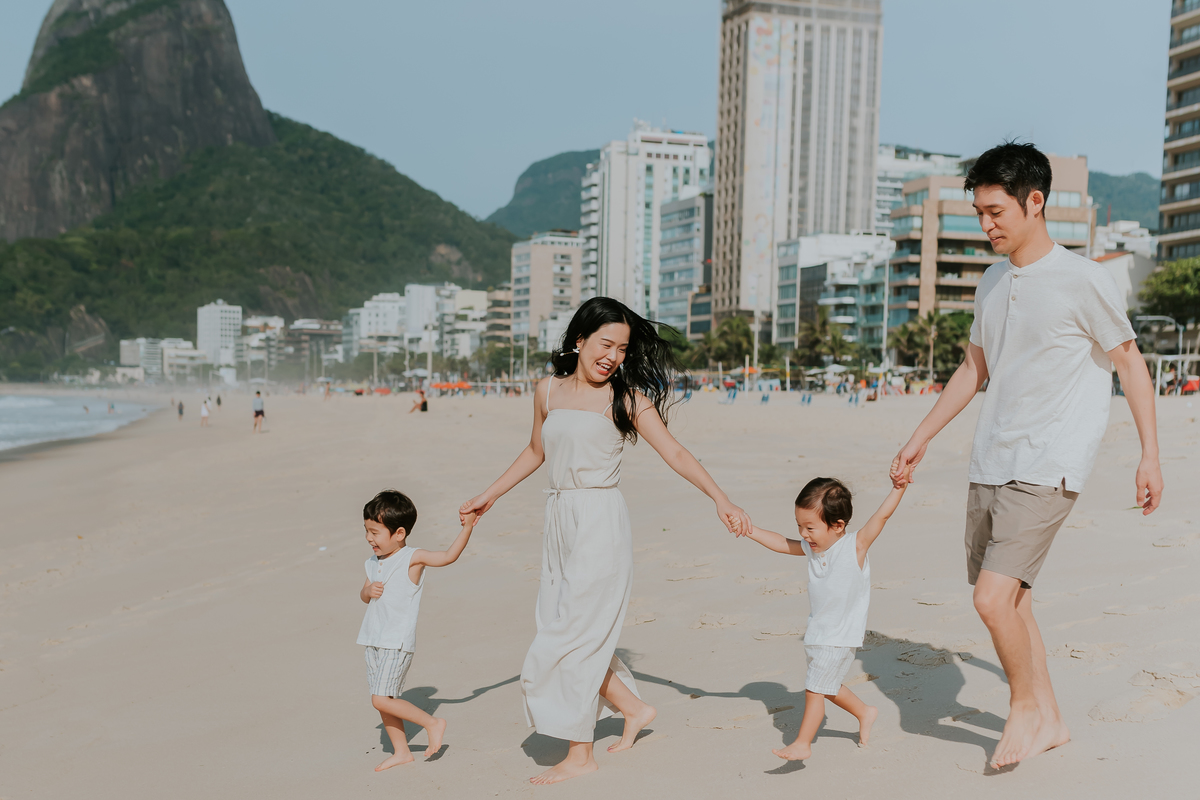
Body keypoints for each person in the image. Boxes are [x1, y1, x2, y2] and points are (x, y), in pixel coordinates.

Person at [889, 142, 1163, 769]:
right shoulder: (992, 279)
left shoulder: (1083, 278)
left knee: (989, 599)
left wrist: (1150, 456)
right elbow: (973, 367)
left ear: (1035, 202)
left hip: (1050, 462)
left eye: (995, 212)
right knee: (1015, 601)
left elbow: (1130, 363)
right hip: (991, 458)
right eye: (979, 214)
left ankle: (1024, 710)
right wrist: (921, 434)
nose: (986, 225)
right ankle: (1055, 720)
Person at [459, 297, 752, 785]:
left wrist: (721, 499)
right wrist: (488, 495)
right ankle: (633, 709)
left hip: (599, 520)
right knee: (563, 627)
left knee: (573, 637)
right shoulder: (547, 390)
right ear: (579, 340)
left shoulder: (628, 398)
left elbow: (675, 453)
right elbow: (536, 450)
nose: (613, 356)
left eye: (621, 348)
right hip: (558, 518)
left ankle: (581, 752)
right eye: (605, 344)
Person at [735, 474, 910, 761]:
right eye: (800, 527)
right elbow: (781, 542)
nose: (804, 534)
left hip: (840, 635)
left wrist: (898, 488)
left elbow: (883, 516)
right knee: (827, 687)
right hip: (818, 633)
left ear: (838, 525)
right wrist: (749, 530)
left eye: (810, 527)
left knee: (815, 688)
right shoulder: (812, 549)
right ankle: (865, 712)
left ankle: (803, 743)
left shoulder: (855, 546)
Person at [357, 490, 478, 771]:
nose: (368, 538)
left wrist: (468, 526)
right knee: (383, 702)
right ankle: (402, 752)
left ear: (399, 533)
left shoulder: (412, 558)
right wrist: (367, 590)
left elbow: (448, 557)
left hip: (395, 641)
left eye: (375, 532)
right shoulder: (373, 562)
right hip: (372, 639)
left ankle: (432, 723)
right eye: (366, 530)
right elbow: (363, 596)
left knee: (381, 698)